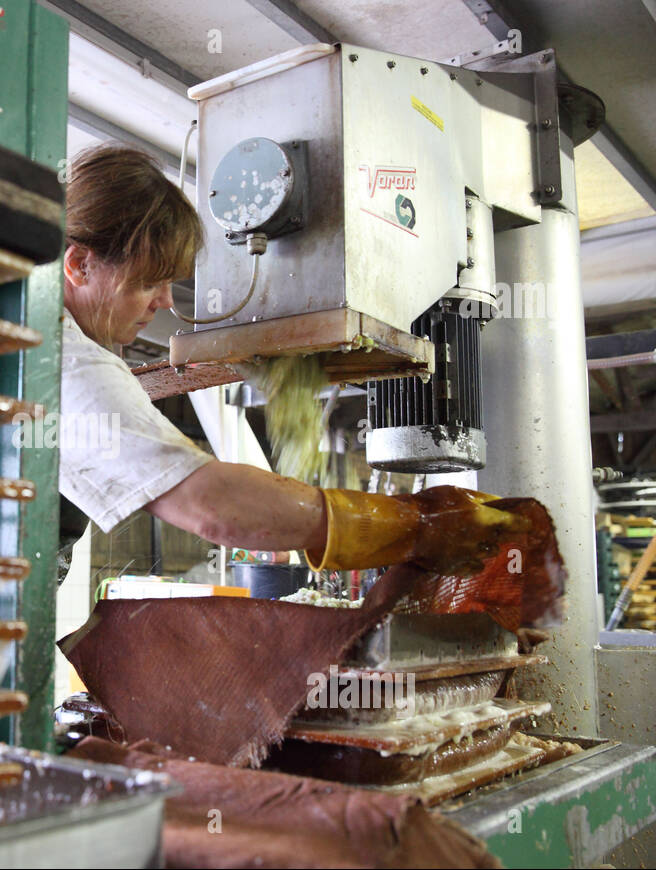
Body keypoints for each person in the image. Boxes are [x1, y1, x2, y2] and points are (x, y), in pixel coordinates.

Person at [56, 144, 523, 579]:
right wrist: (418, 526)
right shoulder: (66, 363)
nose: (163, 300)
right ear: (79, 265)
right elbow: (210, 504)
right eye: (147, 281)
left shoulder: (48, 343)